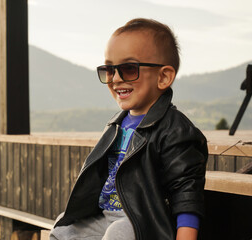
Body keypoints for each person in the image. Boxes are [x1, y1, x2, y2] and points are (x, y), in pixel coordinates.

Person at [49, 18, 208, 240]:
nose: (115, 78)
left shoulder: (175, 130)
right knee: (63, 228)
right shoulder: (116, 124)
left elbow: (186, 193)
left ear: (163, 77)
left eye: (128, 68)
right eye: (109, 69)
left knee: (117, 234)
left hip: (143, 220)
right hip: (106, 214)